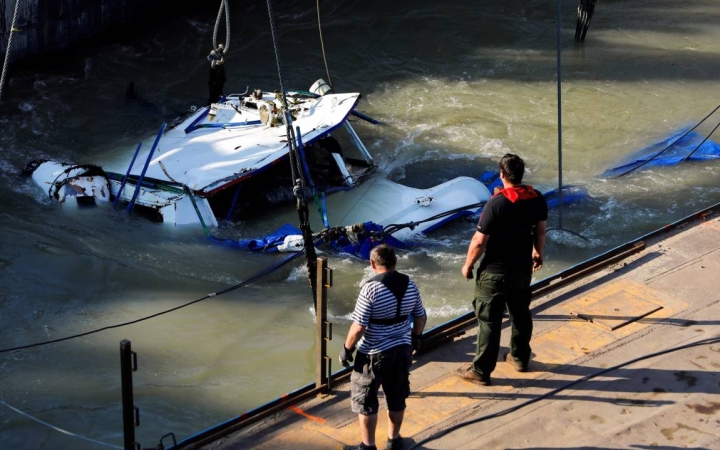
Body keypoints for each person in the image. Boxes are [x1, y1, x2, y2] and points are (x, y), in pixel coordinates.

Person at [458, 153, 547, 386]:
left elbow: (479, 241)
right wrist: (538, 252)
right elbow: (540, 231)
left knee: (489, 320)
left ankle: (481, 371)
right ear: (521, 175)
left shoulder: (496, 203)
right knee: (520, 313)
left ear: (501, 174)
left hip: (495, 273)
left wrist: (468, 265)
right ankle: (519, 358)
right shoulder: (537, 198)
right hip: (522, 270)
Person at [340, 244, 427, 450]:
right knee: (396, 397)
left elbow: (359, 326)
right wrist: (415, 338)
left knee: (367, 401)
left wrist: (347, 349)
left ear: (372, 264)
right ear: (395, 262)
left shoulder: (370, 288)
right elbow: (420, 316)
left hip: (372, 353)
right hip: (401, 349)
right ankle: (394, 440)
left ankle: (368, 446)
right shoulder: (410, 284)